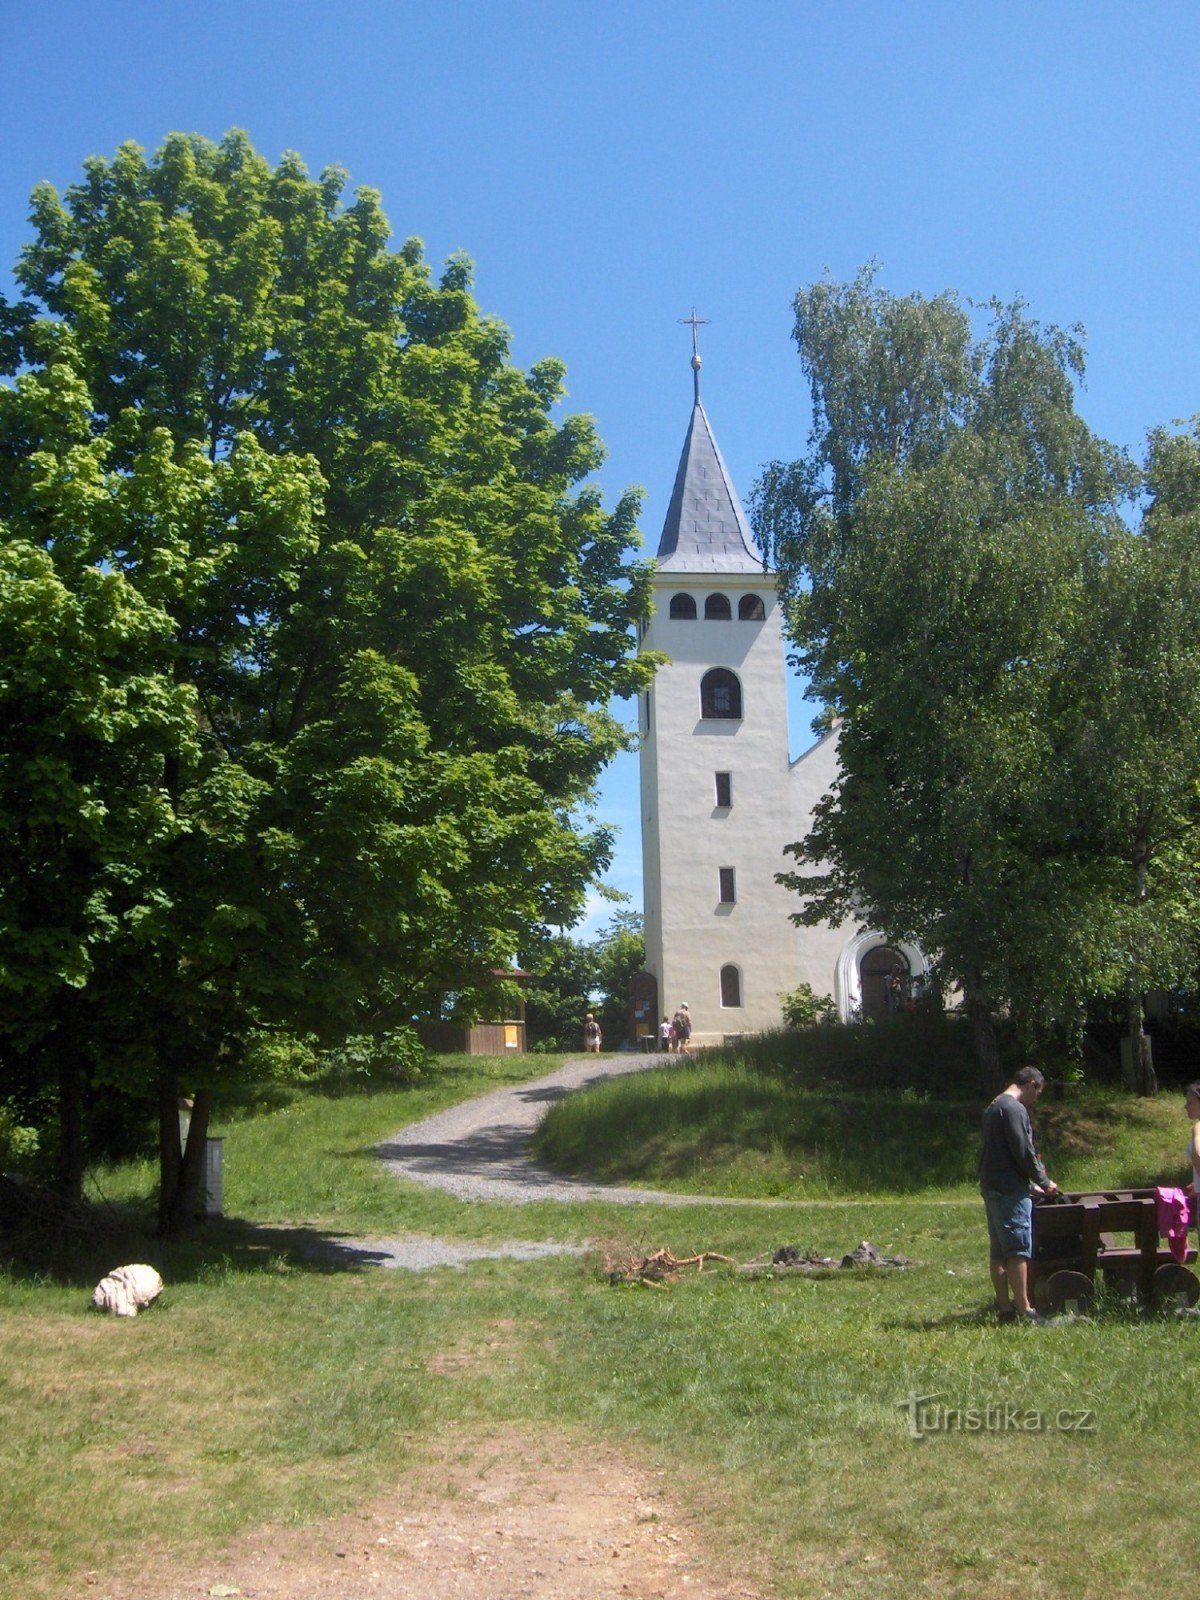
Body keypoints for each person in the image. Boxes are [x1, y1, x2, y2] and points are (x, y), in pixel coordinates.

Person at [979, 1066, 1058, 1323]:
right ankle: (1026, 1311)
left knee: (998, 1251)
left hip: (993, 1186)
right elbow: (1022, 1149)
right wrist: (1043, 1181)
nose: (1037, 1099)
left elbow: (1002, 1152)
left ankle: (1005, 1310)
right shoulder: (1014, 1108)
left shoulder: (994, 1106)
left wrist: (1029, 1185)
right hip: (1008, 1191)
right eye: (1038, 1093)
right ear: (1031, 1084)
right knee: (1017, 1249)